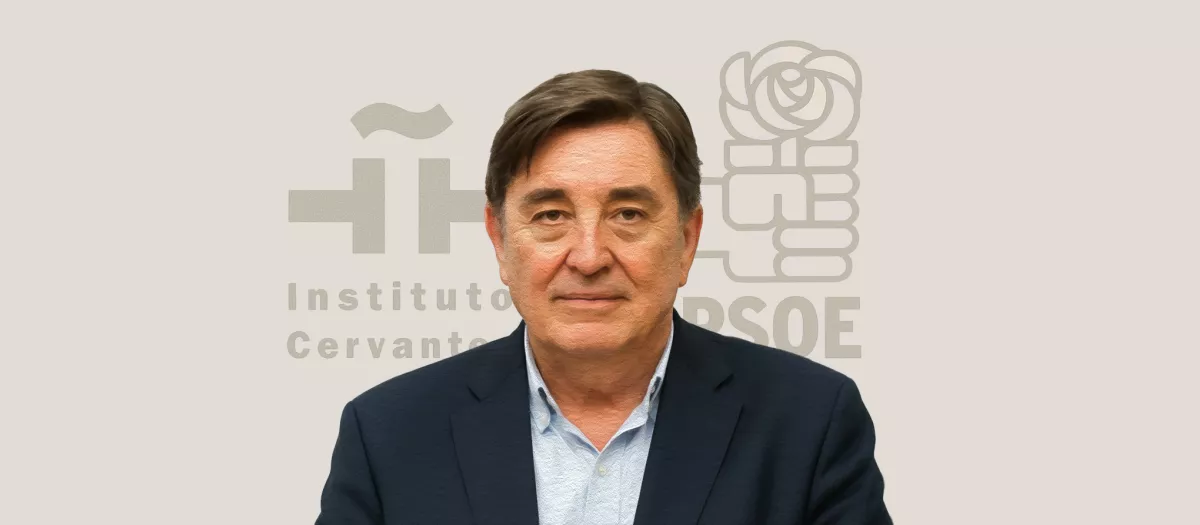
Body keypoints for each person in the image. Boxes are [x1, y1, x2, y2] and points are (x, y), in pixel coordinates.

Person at [315, 69, 892, 525]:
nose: (589, 257)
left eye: (628, 214)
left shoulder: (809, 421)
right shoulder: (389, 432)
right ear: (499, 240)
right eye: (551, 215)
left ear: (687, 240)